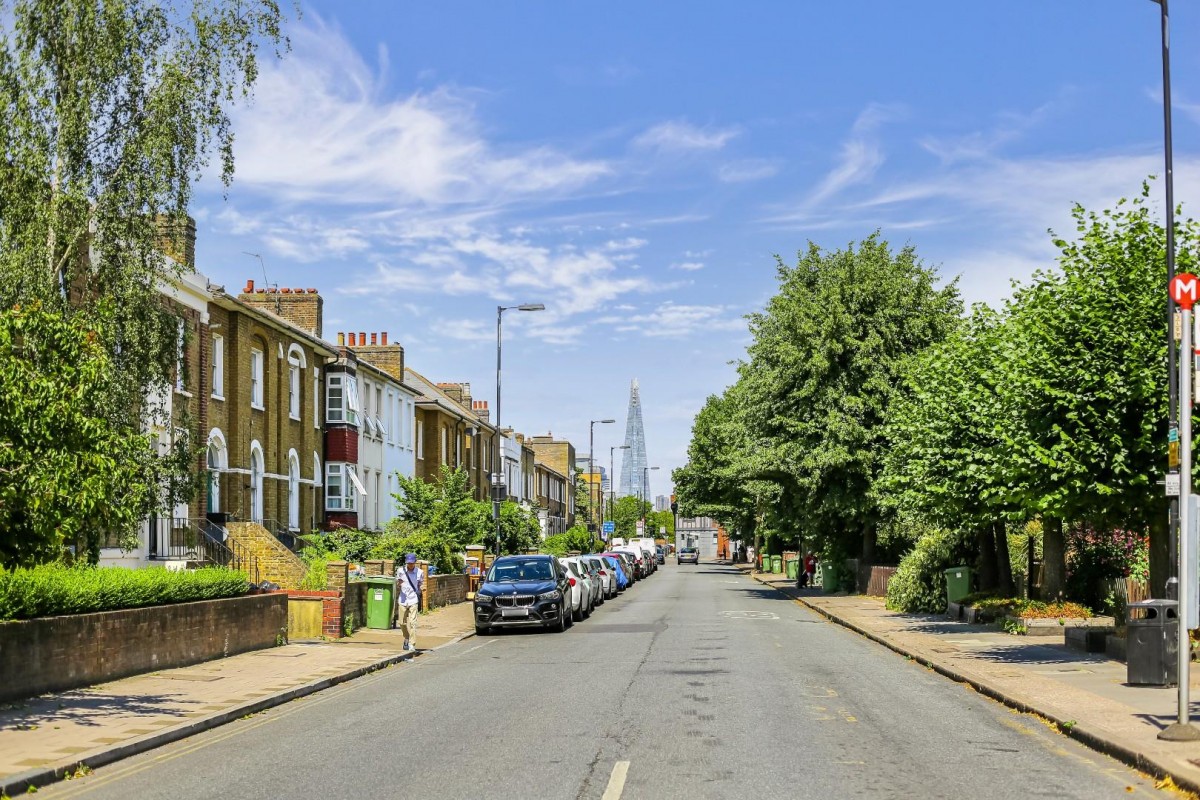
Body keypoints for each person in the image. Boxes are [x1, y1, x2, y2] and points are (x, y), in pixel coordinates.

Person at [394, 553, 425, 652]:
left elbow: (420, 584)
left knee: (413, 623)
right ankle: (406, 637)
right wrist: (399, 583)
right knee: (402, 623)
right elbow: (397, 583)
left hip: (413, 599)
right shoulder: (400, 571)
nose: (410, 565)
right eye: (408, 563)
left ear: (415, 562)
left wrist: (421, 589)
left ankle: (412, 644)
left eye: (412, 563)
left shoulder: (419, 572)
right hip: (403, 599)